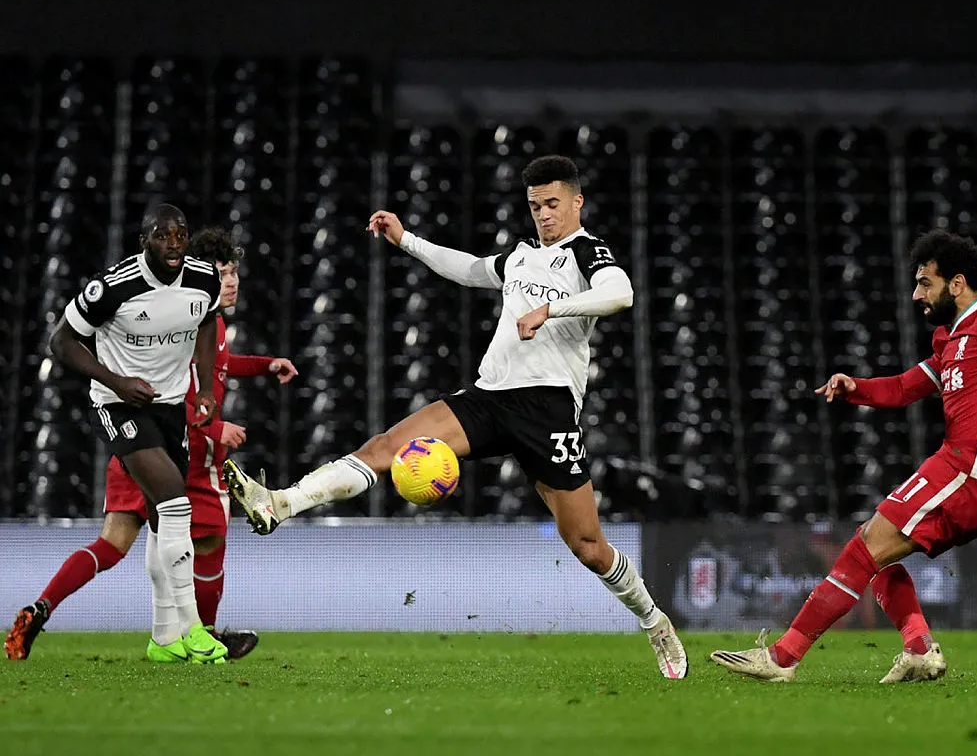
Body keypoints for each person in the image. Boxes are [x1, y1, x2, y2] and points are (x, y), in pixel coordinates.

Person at [223, 155, 689, 678]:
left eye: (553, 204)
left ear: (577, 202)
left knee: (587, 546)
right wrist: (407, 241)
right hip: (490, 396)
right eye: (535, 206)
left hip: (549, 408)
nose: (544, 215)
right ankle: (280, 502)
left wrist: (551, 310)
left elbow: (620, 294)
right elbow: (468, 269)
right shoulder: (519, 259)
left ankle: (655, 623)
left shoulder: (586, 250)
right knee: (385, 447)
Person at [711, 229, 977, 683]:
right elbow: (905, 388)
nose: (916, 293)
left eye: (926, 282)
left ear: (956, 284)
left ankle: (783, 658)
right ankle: (919, 649)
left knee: (861, 550)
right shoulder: (950, 340)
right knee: (875, 554)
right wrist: (854, 388)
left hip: (973, 472)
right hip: (969, 476)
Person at [4, 228, 299, 661]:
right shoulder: (191, 316)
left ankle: (46, 607)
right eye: (223, 272)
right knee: (205, 537)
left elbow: (218, 367)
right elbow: (186, 388)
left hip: (140, 444)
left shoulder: (208, 321)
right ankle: (202, 635)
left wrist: (262, 365)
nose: (231, 281)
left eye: (235, 273)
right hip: (180, 449)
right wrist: (214, 430)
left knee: (116, 542)